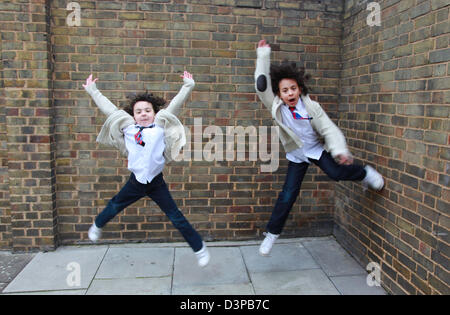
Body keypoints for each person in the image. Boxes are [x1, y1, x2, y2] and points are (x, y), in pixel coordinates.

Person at [254, 40, 384, 256]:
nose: (290, 93)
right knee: (288, 195)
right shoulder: (275, 105)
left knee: (335, 173)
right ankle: (272, 234)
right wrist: (263, 54)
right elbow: (260, 86)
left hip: (314, 149)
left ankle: (365, 173)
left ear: (300, 88)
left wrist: (339, 151)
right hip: (296, 155)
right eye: (285, 90)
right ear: (278, 94)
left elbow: (329, 130)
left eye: (293, 88)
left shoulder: (311, 107)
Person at [83, 71, 210, 267]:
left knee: (176, 216)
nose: (143, 114)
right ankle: (98, 224)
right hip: (136, 181)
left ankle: (199, 248)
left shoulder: (159, 126)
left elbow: (174, 105)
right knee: (115, 205)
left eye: (147, 110)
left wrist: (188, 86)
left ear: (154, 113)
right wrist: (93, 90)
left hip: (156, 182)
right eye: (139, 111)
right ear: (133, 115)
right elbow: (109, 110)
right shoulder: (128, 127)